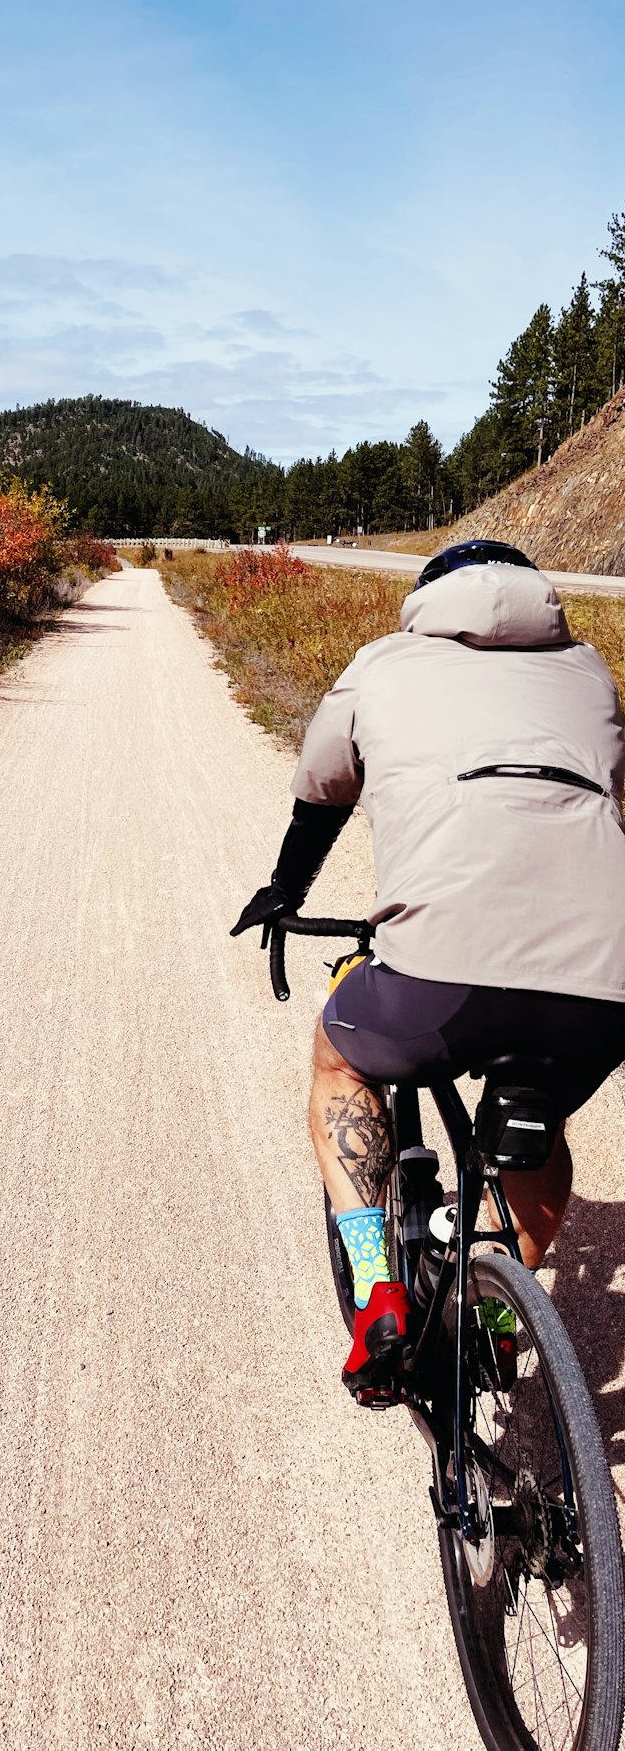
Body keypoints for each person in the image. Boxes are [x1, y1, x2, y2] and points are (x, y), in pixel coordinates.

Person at [232, 539, 625, 1403]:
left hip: (441, 970)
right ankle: (491, 1306)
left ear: (426, 599)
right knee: (539, 1129)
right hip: (605, 978)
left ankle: (381, 1290)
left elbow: (322, 788)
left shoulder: (383, 663)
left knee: (342, 1058)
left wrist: (283, 892)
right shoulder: (590, 668)